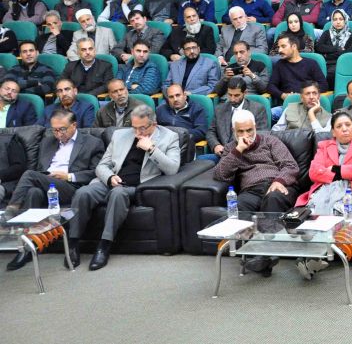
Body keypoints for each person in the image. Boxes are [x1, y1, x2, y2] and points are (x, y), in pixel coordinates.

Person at [69, 105, 180, 270]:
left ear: (154, 124)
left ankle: (104, 246)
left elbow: (172, 169)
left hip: (135, 186)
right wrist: (109, 177)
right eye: (134, 127)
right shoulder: (120, 135)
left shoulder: (169, 137)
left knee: (118, 194)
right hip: (110, 181)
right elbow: (102, 166)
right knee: (82, 193)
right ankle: (73, 244)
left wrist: (152, 149)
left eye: (142, 128)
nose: (137, 133)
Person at [3, 110, 104, 271]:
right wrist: (46, 177)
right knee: (33, 192)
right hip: (46, 183)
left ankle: (11, 212)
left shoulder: (92, 142)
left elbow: (96, 171)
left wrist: (68, 176)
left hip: (71, 186)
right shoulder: (47, 142)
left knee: (29, 174)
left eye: (62, 129)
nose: (58, 134)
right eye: (54, 130)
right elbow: (40, 169)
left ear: (74, 125)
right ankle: (29, 247)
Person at [213, 108, 300, 274]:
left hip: (278, 185)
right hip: (251, 190)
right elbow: (220, 174)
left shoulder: (270, 141)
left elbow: (290, 165)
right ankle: (260, 257)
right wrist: (238, 150)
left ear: (255, 127)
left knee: (272, 199)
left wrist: (279, 180)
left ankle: (263, 255)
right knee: (239, 205)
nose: (246, 135)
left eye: (249, 130)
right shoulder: (231, 149)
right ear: (233, 131)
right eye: (240, 131)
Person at [293, 110, 352, 279]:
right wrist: (345, 172)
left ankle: (314, 257)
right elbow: (314, 172)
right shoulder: (324, 146)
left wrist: (336, 170)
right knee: (313, 211)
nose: (345, 129)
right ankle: (312, 257)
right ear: (333, 132)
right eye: (339, 126)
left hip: (351, 189)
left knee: (336, 210)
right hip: (325, 188)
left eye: (348, 125)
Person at [207, 78, 269, 161]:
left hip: (246, 155)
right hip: (222, 154)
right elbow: (211, 132)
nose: (232, 99)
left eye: (236, 95)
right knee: (201, 161)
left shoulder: (257, 109)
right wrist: (216, 145)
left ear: (245, 93)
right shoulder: (219, 109)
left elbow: (262, 134)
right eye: (230, 95)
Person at [267, 33, 327, 104]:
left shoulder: (311, 63)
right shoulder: (280, 64)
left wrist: (304, 94)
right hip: (287, 104)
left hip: (308, 104)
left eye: (283, 46)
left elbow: (323, 85)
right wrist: (283, 95)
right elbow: (271, 86)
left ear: (294, 46)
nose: (279, 50)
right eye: (279, 47)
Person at [314, 8, 352, 90]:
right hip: (326, 63)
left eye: (340, 19)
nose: (338, 22)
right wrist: (337, 49)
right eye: (335, 19)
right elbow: (319, 47)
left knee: (331, 73)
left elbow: (347, 54)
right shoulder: (326, 33)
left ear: (345, 20)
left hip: (342, 64)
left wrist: (327, 54)